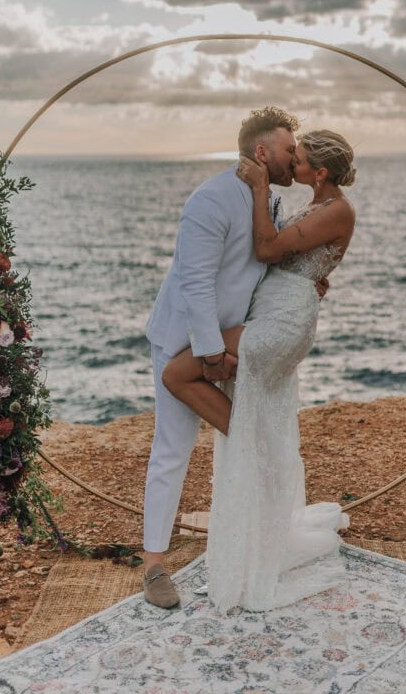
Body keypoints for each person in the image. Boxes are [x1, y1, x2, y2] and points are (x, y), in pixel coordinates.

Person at [163, 129, 356, 611]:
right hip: (276, 311)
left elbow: (270, 251)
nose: (294, 162)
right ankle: (257, 450)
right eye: (292, 152)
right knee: (252, 404)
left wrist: (258, 190)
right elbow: (294, 256)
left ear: (322, 172)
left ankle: (252, 447)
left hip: (283, 321)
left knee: (177, 374)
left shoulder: (337, 208)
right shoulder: (320, 205)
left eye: (301, 157)